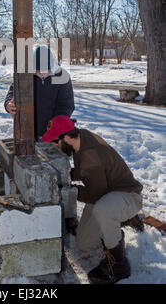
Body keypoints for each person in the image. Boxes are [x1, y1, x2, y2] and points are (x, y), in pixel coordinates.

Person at [41, 115, 143, 285]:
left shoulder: (90, 157)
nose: (54, 146)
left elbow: (95, 194)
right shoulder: (82, 137)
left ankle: (119, 266)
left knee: (103, 210)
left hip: (128, 196)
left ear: (66, 138)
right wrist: (62, 176)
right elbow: (86, 172)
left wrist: (68, 189)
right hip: (107, 194)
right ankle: (116, 226)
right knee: (85, 243)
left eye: (55, 142)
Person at [4, 45, 75, 140]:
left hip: (54, 132)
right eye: (38, 69)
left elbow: (67, 105)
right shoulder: (24, 74)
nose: (41, 73)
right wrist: (8, 105)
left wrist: (54, 127)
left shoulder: (62, 76)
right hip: (27, 130)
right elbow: (12, 93)